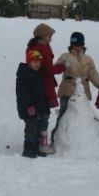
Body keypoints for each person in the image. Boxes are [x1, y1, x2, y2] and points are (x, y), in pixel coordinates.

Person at [51, 32, 99, 144]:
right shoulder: (65, 56)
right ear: (71, 44)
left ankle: (83, 140)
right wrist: (60, 66)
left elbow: (93, 74)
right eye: (75, 44)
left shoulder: (88, 59)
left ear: (83, 45)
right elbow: (55, 68)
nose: (77, 47)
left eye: (79, 44)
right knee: (63, 115)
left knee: (82, 116)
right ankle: (56, 139)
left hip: (82, 93)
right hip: (67, 91)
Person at [27, 23, 66, 154]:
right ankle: (42, 144)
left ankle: (34, 143)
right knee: (43, 115)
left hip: (34, 86)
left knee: (37, 116)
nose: (51, 38)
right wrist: (62, 67)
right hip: (43, 86)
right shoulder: (42, 49)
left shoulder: (33, 47)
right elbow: (50, 69)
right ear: (44, 36)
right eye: (50, 36)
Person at [16, 50, 50, 158]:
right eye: (35, 62)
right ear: (29, 62)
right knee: (31, 128)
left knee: (39, 128)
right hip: (28, 108)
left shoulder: (36, 74)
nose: (38, 64)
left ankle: (37, 148)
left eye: (39, 62)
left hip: (37, 108)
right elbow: (22, 92)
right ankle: (28, 149)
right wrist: (29, 105)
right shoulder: (24, 75)